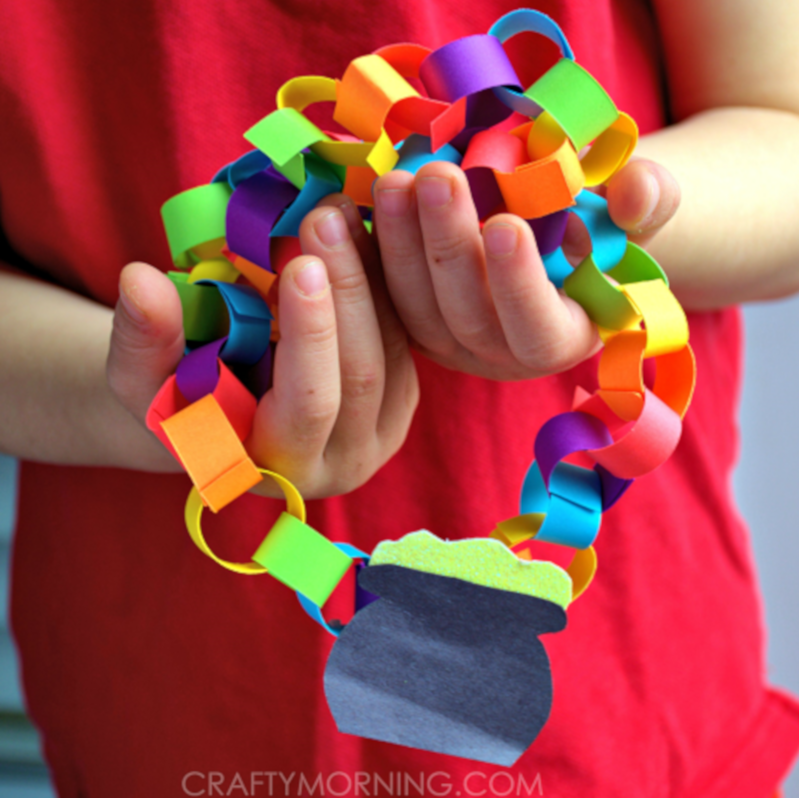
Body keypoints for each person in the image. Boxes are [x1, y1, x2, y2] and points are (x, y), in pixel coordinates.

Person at [0, 0, 798, 795]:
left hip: (641, 721)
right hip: (158, 717)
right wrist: (154, 403)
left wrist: (588, 229)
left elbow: (780, 129)